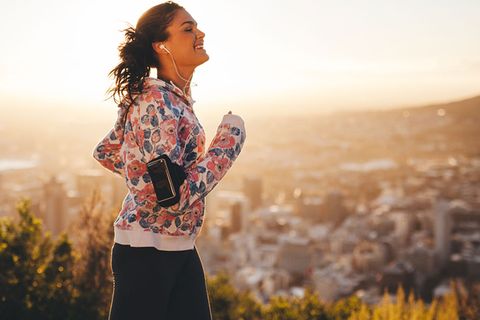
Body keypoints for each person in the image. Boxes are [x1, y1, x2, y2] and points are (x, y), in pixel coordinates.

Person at [92, 2, 247, 319]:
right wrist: (228, 142)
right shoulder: (157, 102)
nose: (199, 33)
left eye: (196, 26)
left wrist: (140, 177)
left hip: (174, 245)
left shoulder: (164, 98)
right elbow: (172, 198)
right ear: (161, 46)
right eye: (188, 29)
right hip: (147, 253)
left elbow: (107, 151)